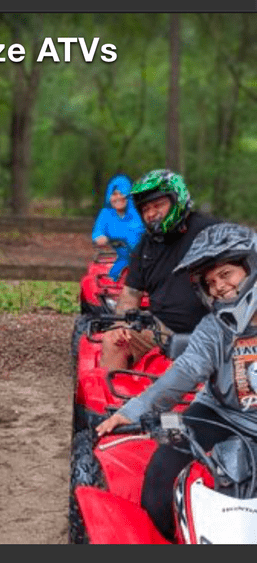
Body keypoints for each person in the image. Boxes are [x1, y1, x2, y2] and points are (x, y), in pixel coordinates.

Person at [96, 222, 257, 541]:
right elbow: (183, 373)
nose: (219, 287)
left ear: (250, 267)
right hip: (218, 414)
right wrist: (133, 410)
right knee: (160, 474)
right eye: (210, 282)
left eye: (226, 274)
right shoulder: (214, 329)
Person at [100, 169, 220, 371]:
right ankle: (114, 391)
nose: (151, 214)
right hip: (162, 330)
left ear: (177, 200)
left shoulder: (213, 232)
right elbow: (130, 295)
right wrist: (121, 325)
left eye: (158, 205)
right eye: (145, 209)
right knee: (113, 339)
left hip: (218, 329)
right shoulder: (144, 247)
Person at [91, 173, 145, 281]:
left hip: (138, 256)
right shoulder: (105, 213)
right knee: (105, 273)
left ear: (128, 195)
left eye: (122, 193)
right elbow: (97, 231)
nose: (118, 198)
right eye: (114, 194)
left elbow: (140, 234)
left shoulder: (137, 213)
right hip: (114, 255)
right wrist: (100, 237)